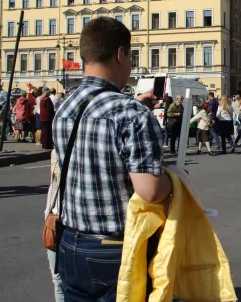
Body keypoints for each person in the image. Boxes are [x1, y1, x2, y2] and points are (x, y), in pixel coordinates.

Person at [53, 17, 171, 302]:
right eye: (130, 55)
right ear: (120, 54)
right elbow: (151, 191)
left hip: (69, 243)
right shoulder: (130, 113)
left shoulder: (65, 104)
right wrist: (176, 180)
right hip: (115, 248)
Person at [45, 150, 65, 302]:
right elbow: (53, 185)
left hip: (77, 226)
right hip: (56, 219)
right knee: (58, 281)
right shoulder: (56, 151)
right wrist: (48, 213)